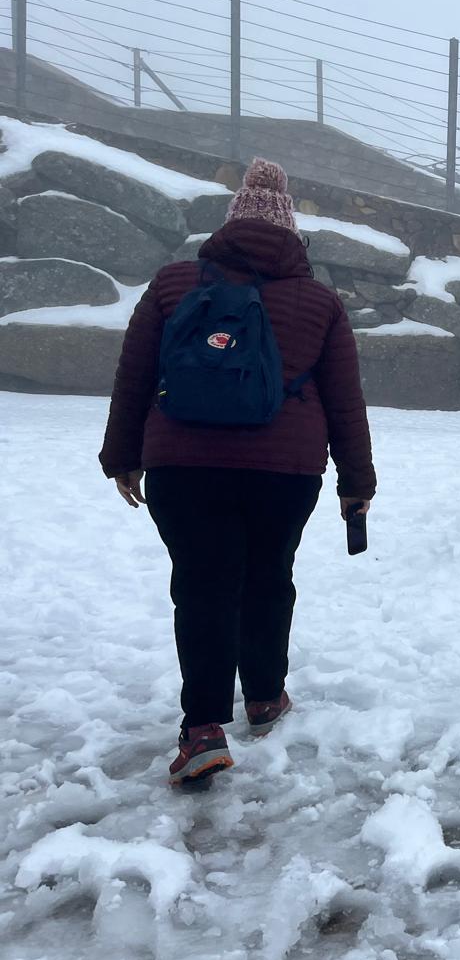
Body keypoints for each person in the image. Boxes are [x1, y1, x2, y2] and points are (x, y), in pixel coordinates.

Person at [99, 158, 376, 786]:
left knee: (201, 584)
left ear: (227, 227)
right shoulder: (318, 301)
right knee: (268, 577)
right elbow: (343, 400)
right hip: (286, 468)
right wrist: (357, 482)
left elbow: (135, 377)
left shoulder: (173, 284)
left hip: (183, 461)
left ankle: (201, 730)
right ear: (291, 232)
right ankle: (264, 697)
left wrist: (123, 455)